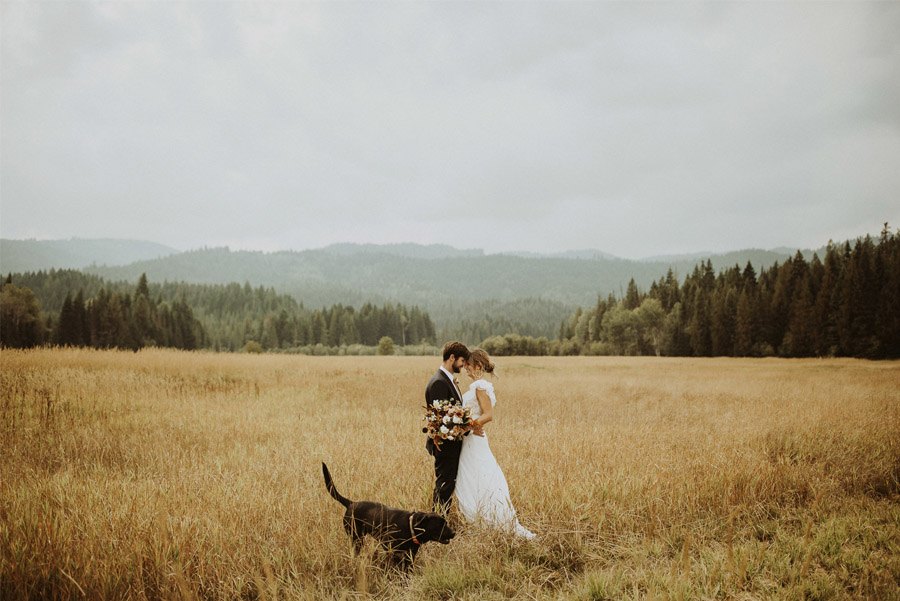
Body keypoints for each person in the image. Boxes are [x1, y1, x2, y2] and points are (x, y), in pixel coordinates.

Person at [454, 348, 535, 539]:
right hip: (470, 439)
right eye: (464, 365)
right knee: (473, 477)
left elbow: (488, 415)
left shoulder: (480, 386)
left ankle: (490, 519)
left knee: (481, 477)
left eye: (468, 365)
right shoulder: (477, 385)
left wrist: (467, 426)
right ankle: (480, 519)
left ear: (478, 366)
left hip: (474, 439)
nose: (465, 369)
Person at [425, 341, 471, 514]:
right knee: (444, 485)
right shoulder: (439, 382)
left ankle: (439, 521)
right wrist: (467, 425)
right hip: (445, 445)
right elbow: (441, 420)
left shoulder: (447, 380)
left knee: (447, 484)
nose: (463, 365)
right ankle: (437, 522)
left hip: (451, 443)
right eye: (462, 361)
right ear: (452, 357)